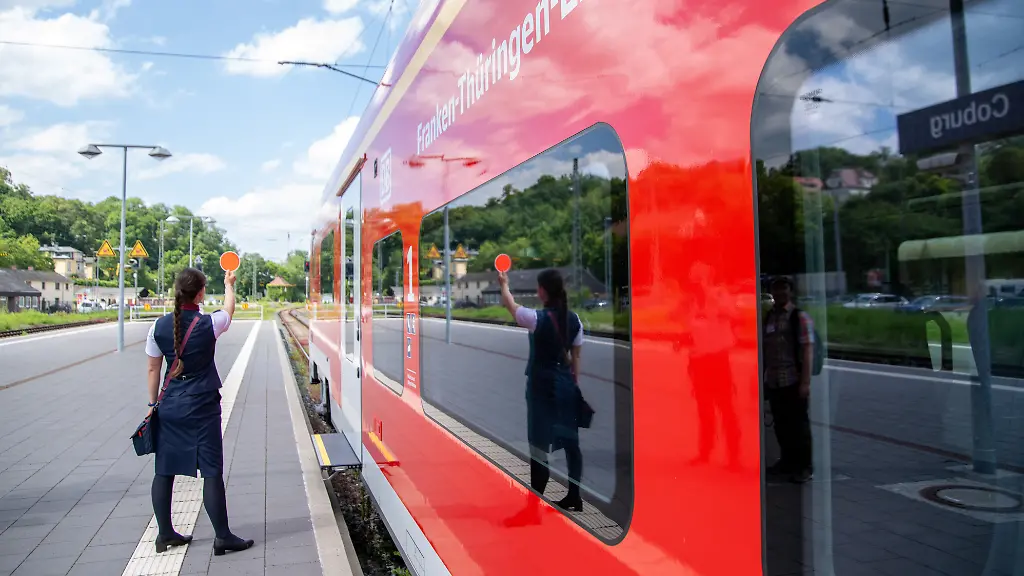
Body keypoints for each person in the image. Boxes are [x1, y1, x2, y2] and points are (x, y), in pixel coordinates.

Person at [144, 267, 254, 555]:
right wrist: (229, 284)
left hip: (169, 406)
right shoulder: (210, 323)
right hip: (202, 405)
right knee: (211, 471)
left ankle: (165, 533)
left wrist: (153, 404)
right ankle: (222, 536)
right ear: (201, 292)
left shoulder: (157, 327)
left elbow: (153, 368)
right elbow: (229, 312)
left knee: (164, 470)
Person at [498, 268, 585, 511]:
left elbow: (510, 305)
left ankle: (533, 506)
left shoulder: (537, 318)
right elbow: (576, 357)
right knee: (571, 443)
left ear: (543, 291)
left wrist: (504, 283)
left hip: (541, 387)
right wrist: (573, 386)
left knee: (538, 446)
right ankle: (574, 497)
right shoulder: (575, 320)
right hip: (566, 386)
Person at [763, 276, 814, 483]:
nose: (779, 293)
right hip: (775, 381)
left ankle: (804, 467)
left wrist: (805, 382)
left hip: (793, 379)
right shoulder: (770, 317)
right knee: (781, 425)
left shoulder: (799, 317)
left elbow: (808, 349)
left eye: (783, 289)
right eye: (776, 290)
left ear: (790, 291)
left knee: (799, 426)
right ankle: (787, 462)